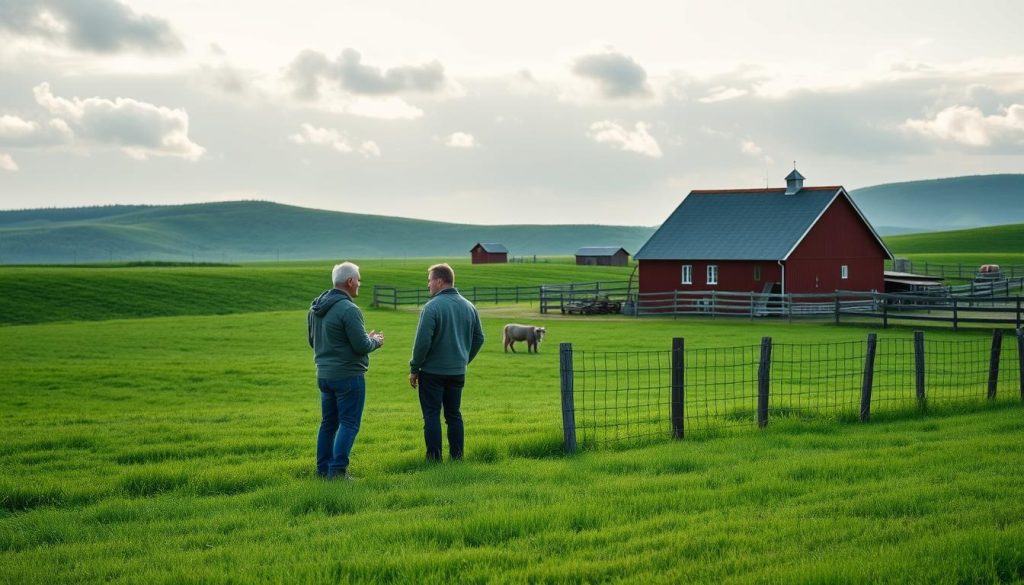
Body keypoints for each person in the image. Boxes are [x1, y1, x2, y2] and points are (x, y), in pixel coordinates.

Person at [308, 261, 384, 479]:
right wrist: (375, 341)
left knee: (328, 423)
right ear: (350, 281)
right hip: (348, 377)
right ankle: (338, 472)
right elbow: (361, 346)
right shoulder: (349, 309)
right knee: (349, 423)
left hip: (323, 374)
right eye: (358, 279)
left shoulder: (315, 308)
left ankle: (323, 471)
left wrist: (361, 340)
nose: (359, 283)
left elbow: (314, 341)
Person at [409, 263, 485, 461]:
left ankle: (434, 458)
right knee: (453, 415)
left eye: (430, 281)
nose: (428, 285)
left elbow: (422, 342)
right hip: (457, 372)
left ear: (440, 281)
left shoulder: (432, 307)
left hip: (432, 372)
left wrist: (414, 368)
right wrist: (463, 360)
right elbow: (479, 338)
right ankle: (457, 457)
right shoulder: (469, 306)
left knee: (432, 415)